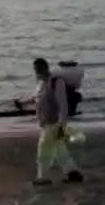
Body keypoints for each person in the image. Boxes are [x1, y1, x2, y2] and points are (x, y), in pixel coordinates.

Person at [18, 58, 84, 186]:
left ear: (45, 67)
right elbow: (36, 98)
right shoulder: (41, 83)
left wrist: (61, 123)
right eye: (35, 69)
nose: (37, 71)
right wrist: (22, 103)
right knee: (59, 150)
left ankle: (43, 177)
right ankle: (73, 173)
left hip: (55, 123)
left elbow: (63, 104)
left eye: (39, 68)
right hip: (46, 123)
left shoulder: (56, 82)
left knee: (43, 149)